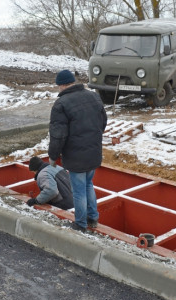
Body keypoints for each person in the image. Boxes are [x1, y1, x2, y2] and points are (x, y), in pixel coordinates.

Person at [48, 70, 108, 232]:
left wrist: (53, 156)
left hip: (76, 156)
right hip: (93, 152)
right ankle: (93, 218)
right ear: (73, 82)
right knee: (88, 184)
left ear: (61, 85)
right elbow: (103, 122)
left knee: (79, 191)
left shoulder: (61, 104)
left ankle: (80, 224)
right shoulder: (93, 96)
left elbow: (58, 136)